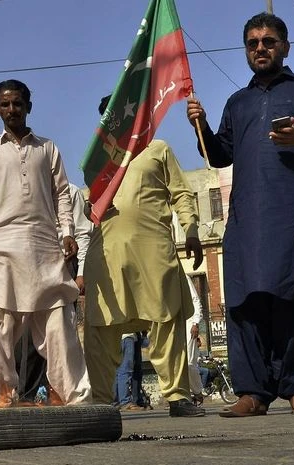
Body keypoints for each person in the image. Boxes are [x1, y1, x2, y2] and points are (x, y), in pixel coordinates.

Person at [186, 12, 294, 417]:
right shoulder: (237, 102)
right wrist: (200, 127)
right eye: (253, 43)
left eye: (269, 41)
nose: (260, 48)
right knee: (245, 302)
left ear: (285, 47)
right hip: (246, 219)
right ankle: (252, 393)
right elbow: (220, 154)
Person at [0, 79, 91, 406]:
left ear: (28, 106)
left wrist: (68, 231)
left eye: (17, 103)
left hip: (44, 246)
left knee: (58, 324)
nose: (12, 109)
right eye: (5, 104)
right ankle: (1, 397)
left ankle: (75, 397)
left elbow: (62, 194)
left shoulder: (47, 148)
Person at [83, 95, 205, 418]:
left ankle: (178, 397)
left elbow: (181, 193)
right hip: (108, 254)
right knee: (101, 325)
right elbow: (89, 207)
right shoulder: (97, 160)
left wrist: (191, 230)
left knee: (167, 319)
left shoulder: (158, 149)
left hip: (154, 252)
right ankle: (100, 403)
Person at [16, 182, 93, 401]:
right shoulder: (25, 188)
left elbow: (82, 234)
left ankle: (65, 393)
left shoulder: (71, 192)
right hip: (31, 268)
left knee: (61, 331)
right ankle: (28, 396)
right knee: (29, 335)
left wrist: (81, 273)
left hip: (63, 267)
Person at [185, 274, 206, 405]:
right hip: (172, 327)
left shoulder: (182, 276)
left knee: (188, 362)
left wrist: (195, 323)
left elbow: (195, 300)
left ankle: (197, 392)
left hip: (188, 324)